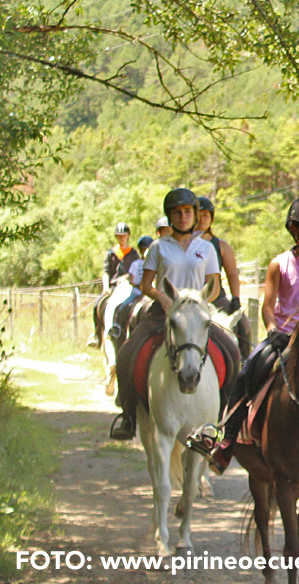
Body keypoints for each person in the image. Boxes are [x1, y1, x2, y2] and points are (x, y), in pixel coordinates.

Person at [186, 195, 299, 473]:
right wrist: (272, 331)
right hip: (285, 338)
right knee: (247, 371)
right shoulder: (279, 264)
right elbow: (268, 307)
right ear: (294, 229)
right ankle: (224, 442)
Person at [109, 189, 239, 440]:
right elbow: (146, 285)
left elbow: (214, 286)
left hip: (197, 315)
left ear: (195, 214)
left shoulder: (207, 248)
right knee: (128, 351)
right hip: (163, 312)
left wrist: (200, 303)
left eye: (188, 212)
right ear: (170, 217)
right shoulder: (158, 248)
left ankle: (223, 420)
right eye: (177, 213)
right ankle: (128, 416)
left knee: (232, 352)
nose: (183, 217)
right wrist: (164, 299)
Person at [195, 196, 252, 358]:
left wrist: (235, 298)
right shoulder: (186, 243)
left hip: (217, 298)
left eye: (206, 215)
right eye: (199, 215)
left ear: (212, 218)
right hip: (192, 297)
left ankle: (245, 363)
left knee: (243, 323)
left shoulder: (221, 245)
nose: (202, 219)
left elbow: (232, 274)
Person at [91, 223, 141, 346]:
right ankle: (97, 335)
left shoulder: (133, 254)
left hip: (128, 285)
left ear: (128, 236)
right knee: (96, 305)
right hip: (113, 286)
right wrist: (106, 287)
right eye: (119, 236)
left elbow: (135, 271)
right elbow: (106, 272)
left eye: (124, 236)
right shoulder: (111, 253)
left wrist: (126, 278)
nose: (122, 238)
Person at [108, 235, 154, 341]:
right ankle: (117, 327)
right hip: (141, 291)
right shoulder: (142, 263)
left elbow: (132, 280)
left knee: (123, 307)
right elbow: (132, 280)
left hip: (145, 291)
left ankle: (117, 326)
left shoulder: (144, 263)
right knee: (123, 305)